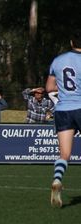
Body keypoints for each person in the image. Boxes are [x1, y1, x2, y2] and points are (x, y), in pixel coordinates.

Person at [46, 30, 81, 208]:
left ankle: (57, 179)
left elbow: (49, 87)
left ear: (71, 42)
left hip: (63, 110)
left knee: (65, 154)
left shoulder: (58, 60)